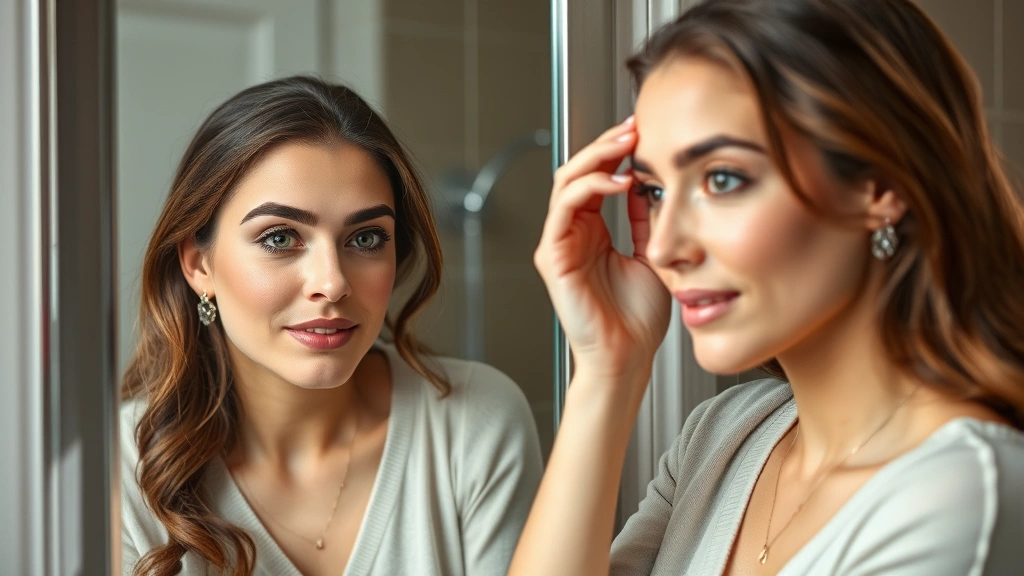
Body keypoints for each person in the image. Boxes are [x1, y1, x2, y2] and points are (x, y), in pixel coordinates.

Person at [511, 0, 1024, 574]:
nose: (663, 248)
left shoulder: (961, 495)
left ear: (880, 186)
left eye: (723, 179)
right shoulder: (724, 435)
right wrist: (608, 369)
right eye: (654, 192)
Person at [120, 75, 542, 576]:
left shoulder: (476, 421)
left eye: (365, 239)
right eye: (280, 238)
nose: (333, 283)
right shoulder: (123, 462)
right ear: (199, 265)